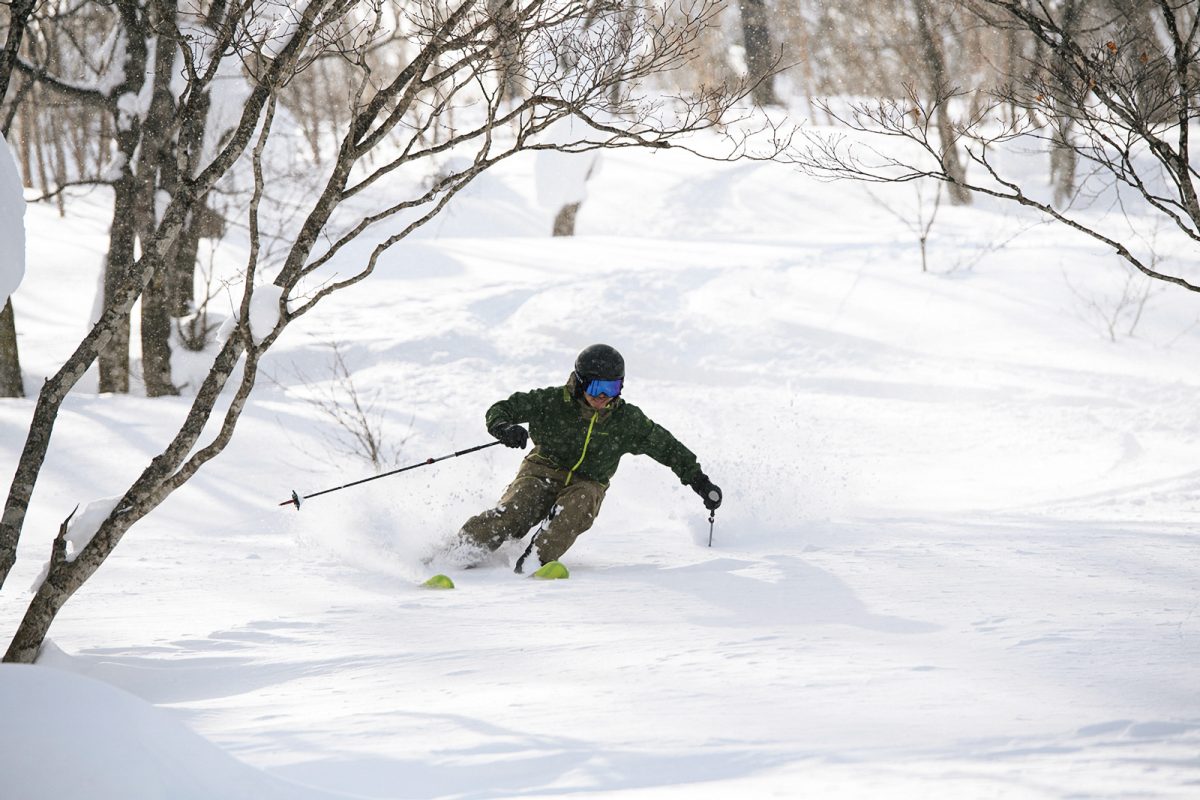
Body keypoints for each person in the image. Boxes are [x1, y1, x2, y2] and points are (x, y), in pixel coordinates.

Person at [442, 344, 722, 575]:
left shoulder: (626, 420)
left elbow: (669, 448)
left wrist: (699, 481)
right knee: (517, 509)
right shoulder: (553, 402)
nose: (602, 396)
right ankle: (455, 555)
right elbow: (502, 408)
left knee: (580, 502)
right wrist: (504, 427)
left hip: (588, 482)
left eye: (611, 388)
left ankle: (534, 562)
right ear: (580, 381)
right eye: (597, 386)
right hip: (541, 471)